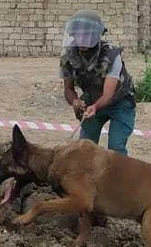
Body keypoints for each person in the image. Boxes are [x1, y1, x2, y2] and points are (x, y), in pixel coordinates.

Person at [58, 9, 137, 156]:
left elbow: (108, 95)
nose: (81, 38)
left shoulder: (111, 55)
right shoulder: (67, 57)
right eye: (78, 34)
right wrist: (75, 101)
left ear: (96, 35)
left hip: (120, 102)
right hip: (92, 99)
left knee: (116, 148)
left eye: (86, 34)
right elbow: (68, 89)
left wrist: (95, 107)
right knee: (85, 148)